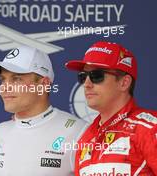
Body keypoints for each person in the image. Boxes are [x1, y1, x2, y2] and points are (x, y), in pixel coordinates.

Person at [0, 45, 88, 176]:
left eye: (16, 79)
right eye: (3, 80)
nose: (5, 88)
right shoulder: (0, 132)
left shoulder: (78, 131)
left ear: (43, 84)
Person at [66, 41, 157, 175]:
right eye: (83, 76)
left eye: (97, 76)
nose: (86, 84)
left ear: (124, 83)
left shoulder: (149, 129)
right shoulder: (87, 137)